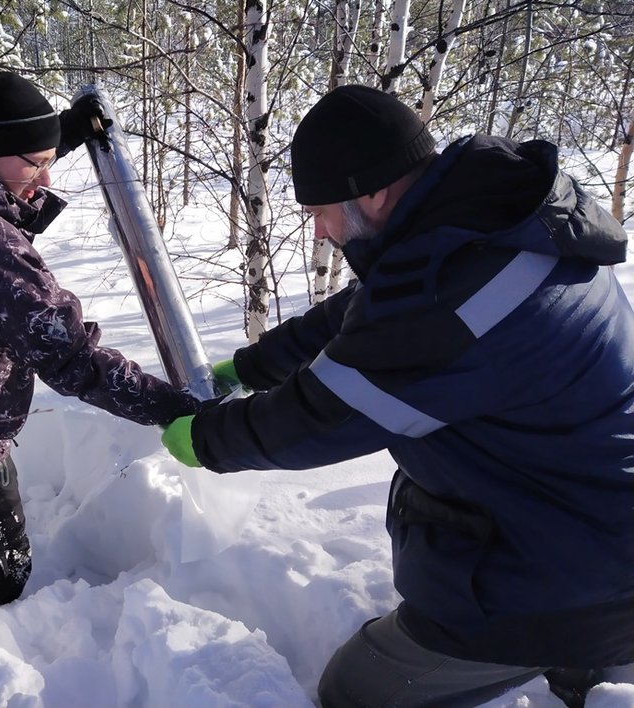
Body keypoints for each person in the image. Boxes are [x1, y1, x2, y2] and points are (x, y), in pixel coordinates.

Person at [161, 84, 634, 707]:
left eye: (321, 210)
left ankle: (570, 650)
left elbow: (321, 418)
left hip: (568, 576)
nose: (322, 231)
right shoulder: (491, 227)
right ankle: (579, 665)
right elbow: (367, 312)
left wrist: (204, 440)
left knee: (354, 690)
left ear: (373, 192)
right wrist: (250, 365)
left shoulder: (454, 299)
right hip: (581, 520)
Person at [0, 71, 199, 608]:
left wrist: (58, 135)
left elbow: (6, 153)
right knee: (2, 571)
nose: (44, 181)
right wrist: (170, 404)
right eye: (36, 163)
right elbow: (69, 355)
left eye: (49, 159)